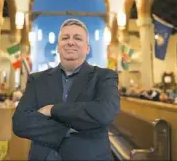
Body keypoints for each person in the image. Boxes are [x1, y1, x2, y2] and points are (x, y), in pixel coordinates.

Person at [13, 19, 120, 160]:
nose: (70, 42)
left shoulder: (104, 77)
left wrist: (51, 110)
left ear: (87, 48)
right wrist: (67, 129)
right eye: (65, 38)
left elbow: (105, 112)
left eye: (77, 38)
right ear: (58, 47)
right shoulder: (37, 80)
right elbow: (20, 123)